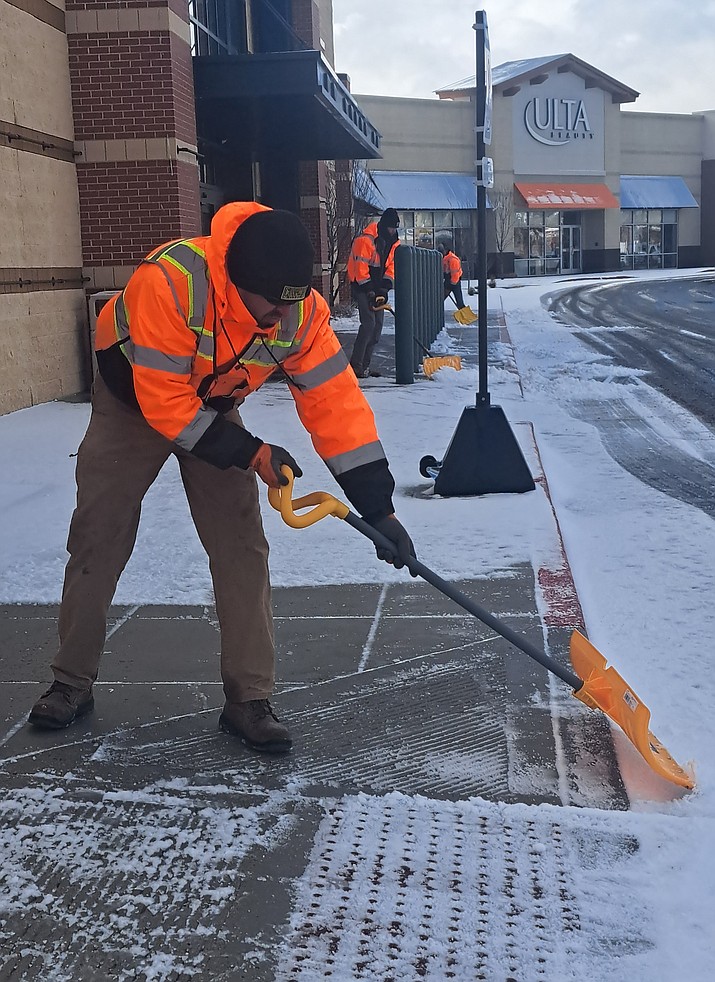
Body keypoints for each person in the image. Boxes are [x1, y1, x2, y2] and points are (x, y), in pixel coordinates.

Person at [28, 202, 416, 754]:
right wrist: (252, 453)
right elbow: (166, 404)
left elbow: (337, 407)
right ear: (236, 282)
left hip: (213, 401)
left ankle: (249, 699)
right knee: (99, 534)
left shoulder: (300, 312)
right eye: (272, 304)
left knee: (241, 543)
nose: (283, 317)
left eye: (293, 302)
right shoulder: (170, 282)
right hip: (133, 399)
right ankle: (70, 682)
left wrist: (380, 510)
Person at [347, 208, 400, 379]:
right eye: (391, 227)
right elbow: (360, 270)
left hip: (377, 288)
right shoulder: (365, 241)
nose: (392, 231)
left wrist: (384, 288)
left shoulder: (393, 244)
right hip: (362, 286)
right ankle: (356, 365)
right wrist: (370, 290)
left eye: (395, 228)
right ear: (383, 225)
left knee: (377, 328)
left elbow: (391, 268)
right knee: (369, 324)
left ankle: (365, 366)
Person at [437, 240, 466, 310]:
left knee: (459, 301)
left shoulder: (452, 259)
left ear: (445, 250)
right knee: (440, 299)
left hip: (454, 282)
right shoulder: (444, 258)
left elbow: (455, 273)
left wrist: (452, 284)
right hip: (449, 280)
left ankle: (464, 312)